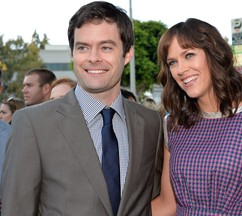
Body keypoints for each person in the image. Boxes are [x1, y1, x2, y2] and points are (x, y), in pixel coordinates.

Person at [1, 1, 163, 216]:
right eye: (83, 47)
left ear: (127, 54)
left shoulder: (152, 123)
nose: (93, 58)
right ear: (72, 54)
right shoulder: (33, 124)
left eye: (106, 47)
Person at [151, 18, 242, 215]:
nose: (180, 70)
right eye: (172, 62)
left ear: (214, 54)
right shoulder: (174, 124)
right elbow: (167, 204)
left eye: (189, 55)